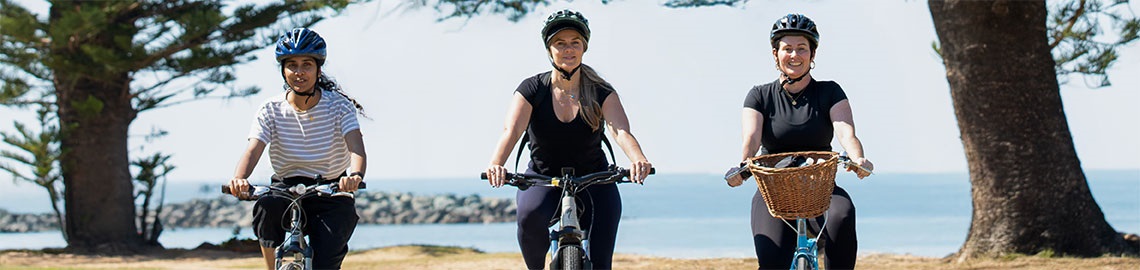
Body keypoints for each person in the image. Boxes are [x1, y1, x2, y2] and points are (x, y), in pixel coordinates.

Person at [483, 9, 653, 270]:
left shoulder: (600, 90)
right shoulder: (532, 89)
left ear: (584, 48)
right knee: (529, 218)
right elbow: (512, 131)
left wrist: (638, 159)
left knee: (601, 259)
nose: (568, 49)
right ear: (549, 49)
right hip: (542, 178)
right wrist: (497, 163)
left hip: (594, 179)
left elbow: (620, 130)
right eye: (560, 43)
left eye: (575, 43)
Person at [730, 14, 874, 270]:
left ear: (812, 54)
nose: (794, 55)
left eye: (802, 48)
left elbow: (846, 132)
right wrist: (742, 167)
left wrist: (857, 157)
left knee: (842, 216)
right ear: (776, 54)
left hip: (820, 189)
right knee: (772, 260)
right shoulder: (759, 95)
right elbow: (751, 139)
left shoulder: (830, 92)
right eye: (787, 48)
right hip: (773, 192)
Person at [225, 28, 367, 270]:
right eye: (292, 65)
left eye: (307, 65)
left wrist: (354, 177)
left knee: (327, 258)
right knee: (266, 207)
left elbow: (356, 148)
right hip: (284, 186)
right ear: (283, 70)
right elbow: (253, 149)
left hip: (331, 189)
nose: (299, 72)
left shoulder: (339, 107)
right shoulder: (270, 109)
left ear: (318, 69)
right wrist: (239, 179)